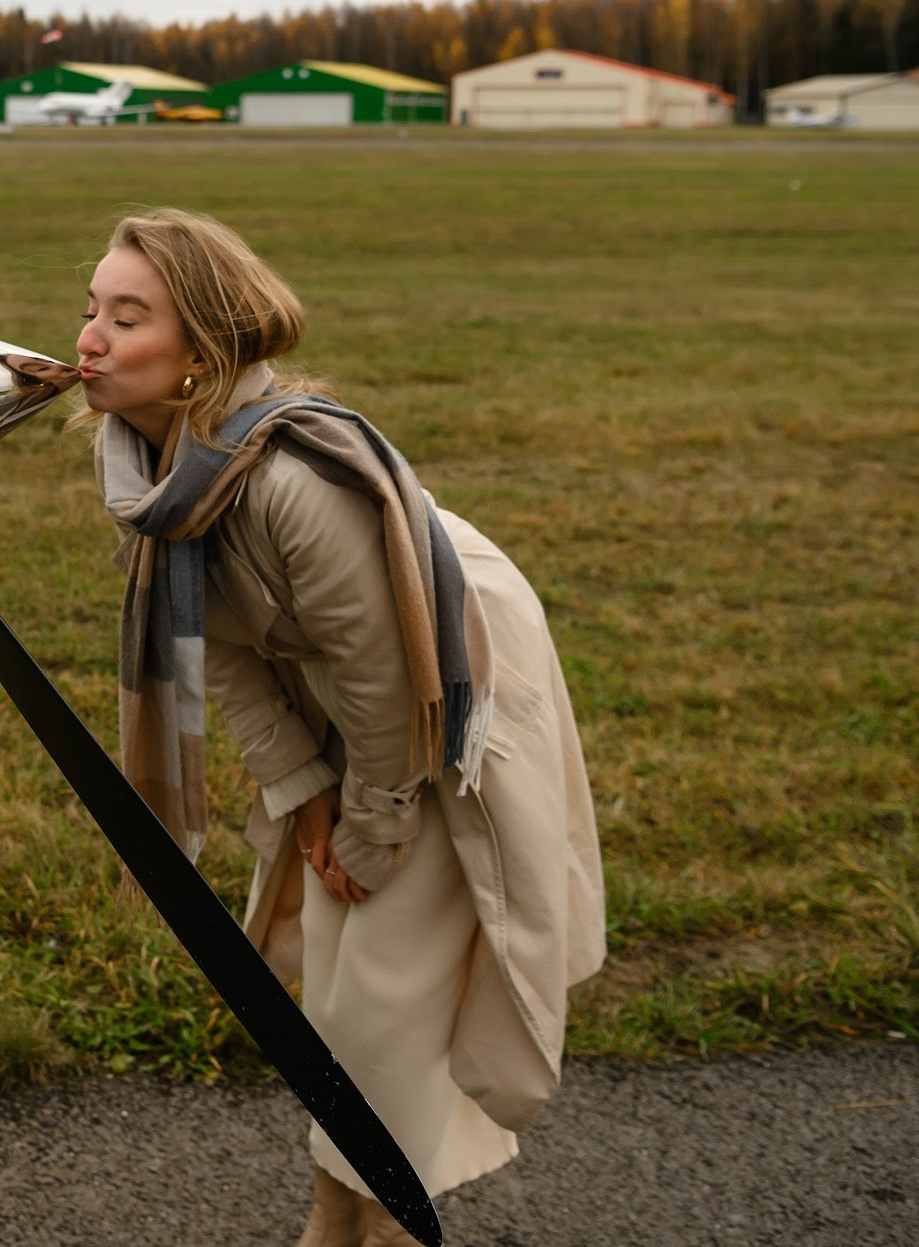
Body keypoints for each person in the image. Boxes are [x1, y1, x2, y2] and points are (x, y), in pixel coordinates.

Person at [74, 208, 606, 1247]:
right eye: (90, 307)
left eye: (126, 316)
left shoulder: (289, 480)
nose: (89, 335)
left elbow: (379, 676)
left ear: (201, 356)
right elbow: (220, 651)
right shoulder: (150, 477)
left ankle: (383, 1225)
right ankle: (335, 1219)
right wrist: (301, 795)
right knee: (335, 977)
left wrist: (369, 820)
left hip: (446, 691)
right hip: (344, 695)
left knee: (382, 1004)